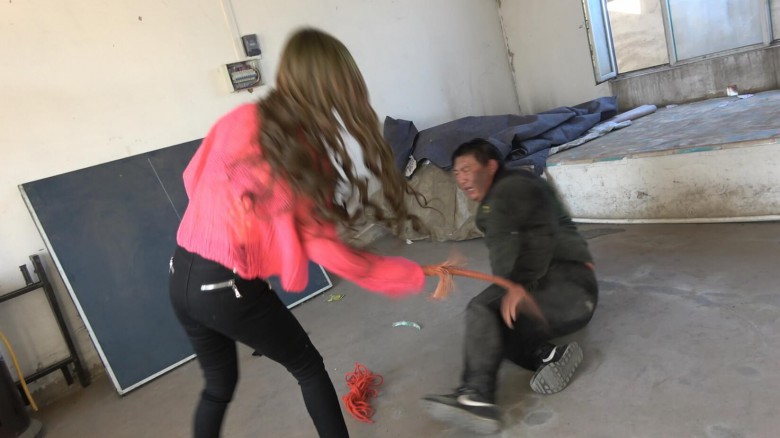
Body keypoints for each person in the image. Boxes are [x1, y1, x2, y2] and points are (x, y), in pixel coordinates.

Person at [169, 28, 439, 438]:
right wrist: (410, 273)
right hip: (228, 289)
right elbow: (331, 252)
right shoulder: (300, 154)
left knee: (218, 387)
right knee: (308, 368)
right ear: (334, 88)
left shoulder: (240, 119)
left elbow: (193, 178)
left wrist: (240, 235)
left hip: (180, 275)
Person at [421, 139, 599, 434]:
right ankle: (548, 355)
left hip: (568, 285)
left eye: (467, 168)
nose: (461, 178)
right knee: (491, 331)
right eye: (456, 172)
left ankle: (476, 397)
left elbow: (541, 233)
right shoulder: (492, 206)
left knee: (481, 310)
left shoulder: (512, 186)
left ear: (491, 166)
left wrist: (518, 284)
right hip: (569, 298)